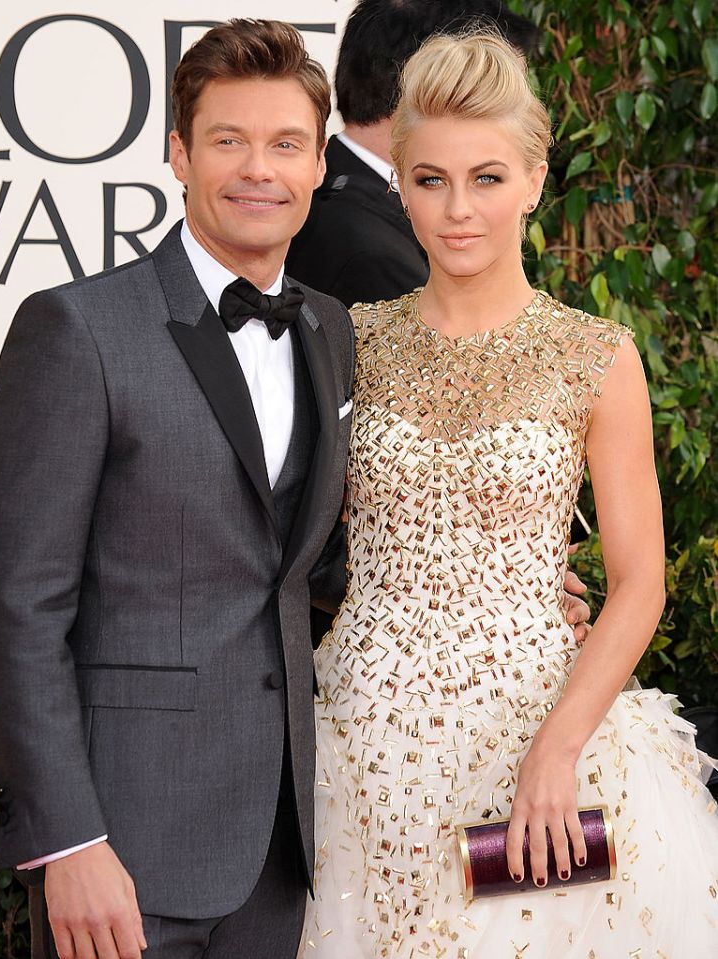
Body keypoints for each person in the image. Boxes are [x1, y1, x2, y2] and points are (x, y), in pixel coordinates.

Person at [299, 31, 718, 958]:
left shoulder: (598, 357)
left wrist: (557, 750)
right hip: (355, 748)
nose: (459, 211)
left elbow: (640, 580)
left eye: (488, 179)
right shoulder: (345, 341)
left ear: (534, 179)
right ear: (398, 181)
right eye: (431, 179)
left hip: (538, 734)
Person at [0, 20, 355, 959]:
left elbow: (298, 561)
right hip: (122, 849)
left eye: (285, 144)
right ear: (179, 154)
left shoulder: (328, 329)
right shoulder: (77, 329)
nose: (257, 169)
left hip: (278, 845)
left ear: (319, 164)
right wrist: (68, 839)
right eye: (228, 140)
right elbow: (18, 603)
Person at [286, 0, 538, 307]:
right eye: (483, 77)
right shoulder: (369, 253)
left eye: (487, 178)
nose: (459, 210)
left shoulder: (333, 192)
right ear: (423, 79)